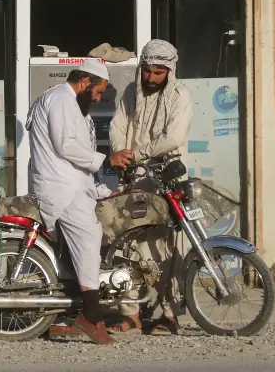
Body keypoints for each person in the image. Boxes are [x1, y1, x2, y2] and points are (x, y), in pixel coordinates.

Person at [25, 60, 134, 345]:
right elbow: (66, 146)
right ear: (85, 82)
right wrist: (106, 160)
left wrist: (101, 186)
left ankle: (77, 314)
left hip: (73, 186)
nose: (98, 99)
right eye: (97, 92)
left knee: (87, 243)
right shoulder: (60, 99)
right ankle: (91, 316)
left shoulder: (71, 104)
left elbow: (78, 152)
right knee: (88, 240)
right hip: (62, 189)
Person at [107, 39, 194, 336]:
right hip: (133, 178)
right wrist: (122, 152)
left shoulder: (180, 96)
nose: (152, 78)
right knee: (127, 246)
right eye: (148, 70)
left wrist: (140, 153)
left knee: (162, 249)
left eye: (159, 72)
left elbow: (173, 138)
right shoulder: (132, 92)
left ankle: (168, 314)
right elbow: (117, 126)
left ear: (169, 70)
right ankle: (130, 313)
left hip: (164, 179)